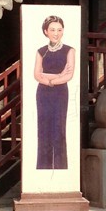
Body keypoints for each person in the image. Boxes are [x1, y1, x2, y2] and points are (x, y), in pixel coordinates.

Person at [33, 15, 75, 169]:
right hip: (43, 93)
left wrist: (50, 79)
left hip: (60, 93)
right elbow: (36, 75)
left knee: (59, 128)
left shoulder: (69, 50)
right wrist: (56, 77)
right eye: (52, 30)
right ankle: (43, 167)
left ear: (63, 31)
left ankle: (60, 167)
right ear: (46, 31)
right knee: (43, 129)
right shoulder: (41, 51)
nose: (56, 33)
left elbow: (69, 75)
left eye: (59, 30)